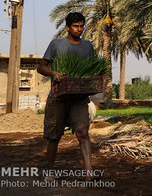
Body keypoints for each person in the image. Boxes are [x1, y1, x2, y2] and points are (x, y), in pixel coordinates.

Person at [37, 12, 95, 181]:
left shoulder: (88, 46)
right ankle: (50, 172)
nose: (79, 29)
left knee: (83, 132)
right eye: (76, 26)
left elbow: (91, 68)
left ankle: (89, 174)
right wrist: (53, 73)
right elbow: (41, 67)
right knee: (54, 137)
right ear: (68, 27)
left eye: (82, 26)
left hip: (79, 98)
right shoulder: (56, 44)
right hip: (58, 98)